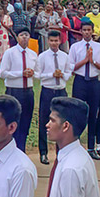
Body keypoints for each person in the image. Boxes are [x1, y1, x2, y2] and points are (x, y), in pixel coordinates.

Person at [70, 29, 100, 158]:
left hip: (94, 83)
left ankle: (91, 147)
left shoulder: (99, 48)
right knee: (77, 113)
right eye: (84, 30)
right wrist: (85, 60)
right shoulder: (75, 47)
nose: (87, 33)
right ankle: (74, 146)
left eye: (89, 30)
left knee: (93, 114)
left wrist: (93, 62)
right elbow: (70, 67)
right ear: (81, 32)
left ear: (92, 32)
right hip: (80, 81)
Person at [37, 31, 72, 163]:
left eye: (56, 41)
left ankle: (61, 151)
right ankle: (43, 152)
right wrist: (52, 75)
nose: (54, 43)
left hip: (61, 91)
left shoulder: (65, 56)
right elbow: (38, 75)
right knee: (44, 120)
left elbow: (69, 72)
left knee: (62, 121)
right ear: (48, 41)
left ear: (60, 41)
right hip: (48, 91)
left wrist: (62, 74)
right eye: (51, 41)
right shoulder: (42, 56)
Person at [0, 29, 39, 149]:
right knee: (13, 122)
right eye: (22, 35)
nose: (24, 38)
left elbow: (38, 73)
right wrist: (20, 73)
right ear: (17, 37)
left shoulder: (33, 54)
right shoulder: (10, 53)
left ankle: (22, 148)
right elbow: (3, 73)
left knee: (26, 121)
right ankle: (11, 148)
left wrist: (32, 73)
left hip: (28, 91)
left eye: (27, 35)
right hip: (14, 91)